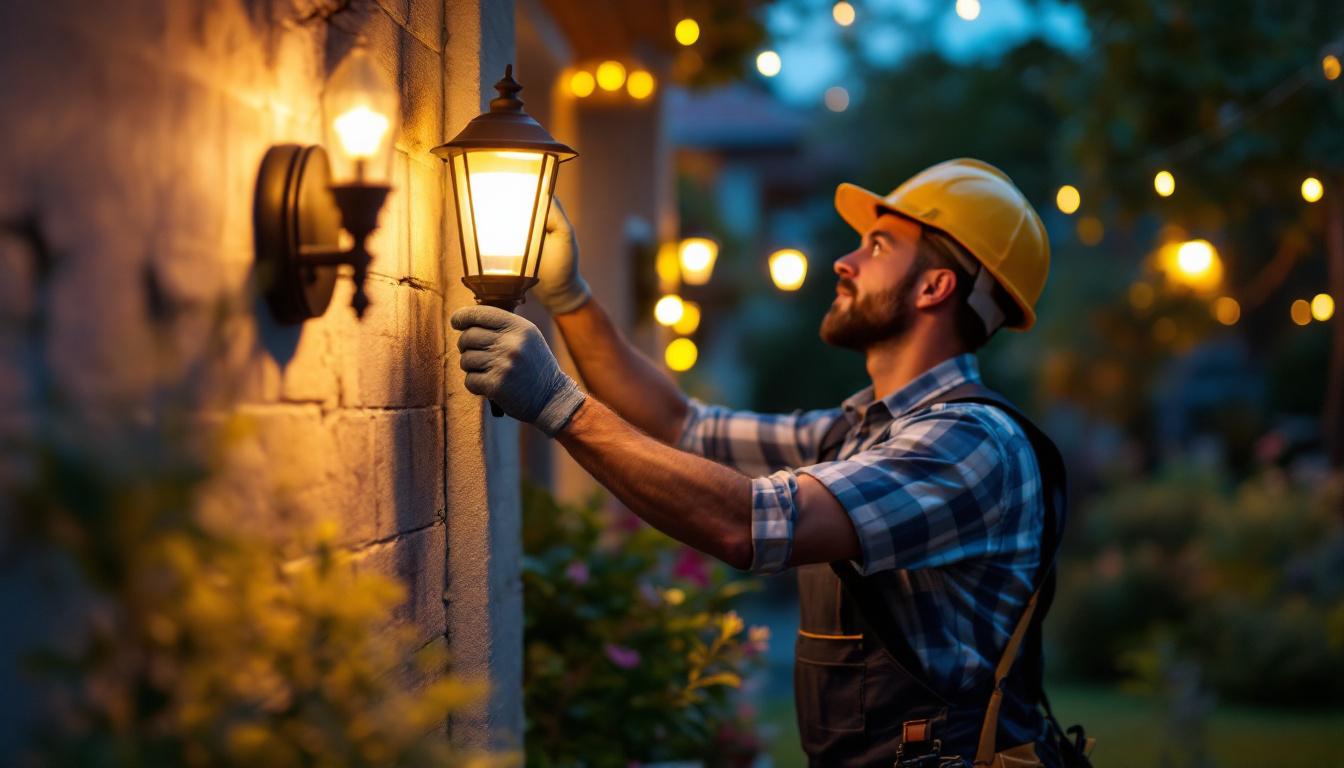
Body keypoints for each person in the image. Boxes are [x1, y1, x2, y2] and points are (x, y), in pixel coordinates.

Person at [451, 159, 1071, 767]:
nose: (844, 261)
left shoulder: (970, 444)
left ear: (936, 287)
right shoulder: (858, 433)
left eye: (878, 246)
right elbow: (680, 426)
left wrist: (558, 403)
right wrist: (570, 297)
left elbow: (750, 523)